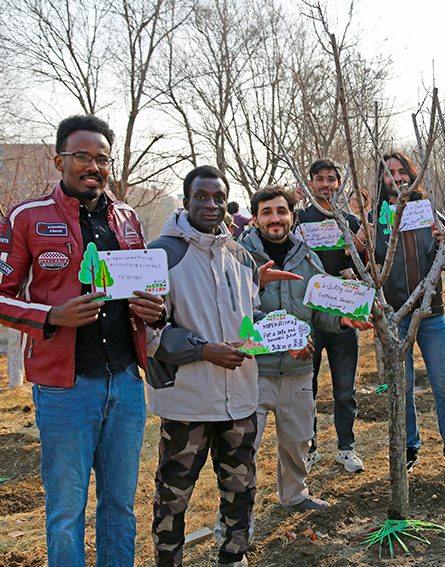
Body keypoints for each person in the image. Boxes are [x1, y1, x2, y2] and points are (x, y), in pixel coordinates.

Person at [0, 115, 165, 567]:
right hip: (64, 389)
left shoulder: (128, 218)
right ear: (59, 159)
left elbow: (148, 290)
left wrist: (154, 310)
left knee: (120, 506)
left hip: (124, 383)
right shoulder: (28, 217)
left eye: (101, 158)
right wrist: (51, 316)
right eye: (82, 157)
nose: (93, 166)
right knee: (66, 511)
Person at [146, 166, 286, 567]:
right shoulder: (160, 254)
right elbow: (149, 330)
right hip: (186, 402)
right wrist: (205, 350)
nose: (211, 205)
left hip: (240, 399)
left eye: (218, 198)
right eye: (202, 197)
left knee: (240, 489)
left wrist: (283, 335)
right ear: (185, 200)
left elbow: (251, 317)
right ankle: (168, 560)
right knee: (173, 494)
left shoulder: (242, 256)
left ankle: (233, 557)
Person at [240, 186, 372, 510]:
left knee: (297, 441)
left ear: (291, 215)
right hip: (253, 373)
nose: (275, 218)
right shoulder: (238, 257)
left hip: (299, 371)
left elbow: (319, 310)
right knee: (242, 451)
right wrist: (254, 287)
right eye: (267, 212)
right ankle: (238, 516)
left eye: (281, 211)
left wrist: (342, 321)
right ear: (256, 218)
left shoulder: (308, 256)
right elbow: (227, 309)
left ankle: (295, 496)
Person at [368, 151, 445, 482]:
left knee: (444, 384)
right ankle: (410, 446)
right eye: (390, 173)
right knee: (404, 386)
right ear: (382, 179)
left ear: (413, 175)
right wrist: (363, 242)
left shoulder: (429, 213)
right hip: (395, 315)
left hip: (431, 314)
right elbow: (369, 266)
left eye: (403, 171)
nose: (397, 177)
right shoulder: (375, 219)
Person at [296, 159, 365, 473]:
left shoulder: (349, 222)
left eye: (331, 179)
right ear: (311, 183)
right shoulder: (298, 220)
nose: (325, 184)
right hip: (307, 319)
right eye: (319, 179)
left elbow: (364, 266)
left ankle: (346, 447)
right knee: (305, 388)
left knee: (344, 389)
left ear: (339, 184)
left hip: (343, 317)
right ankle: (309, 447)